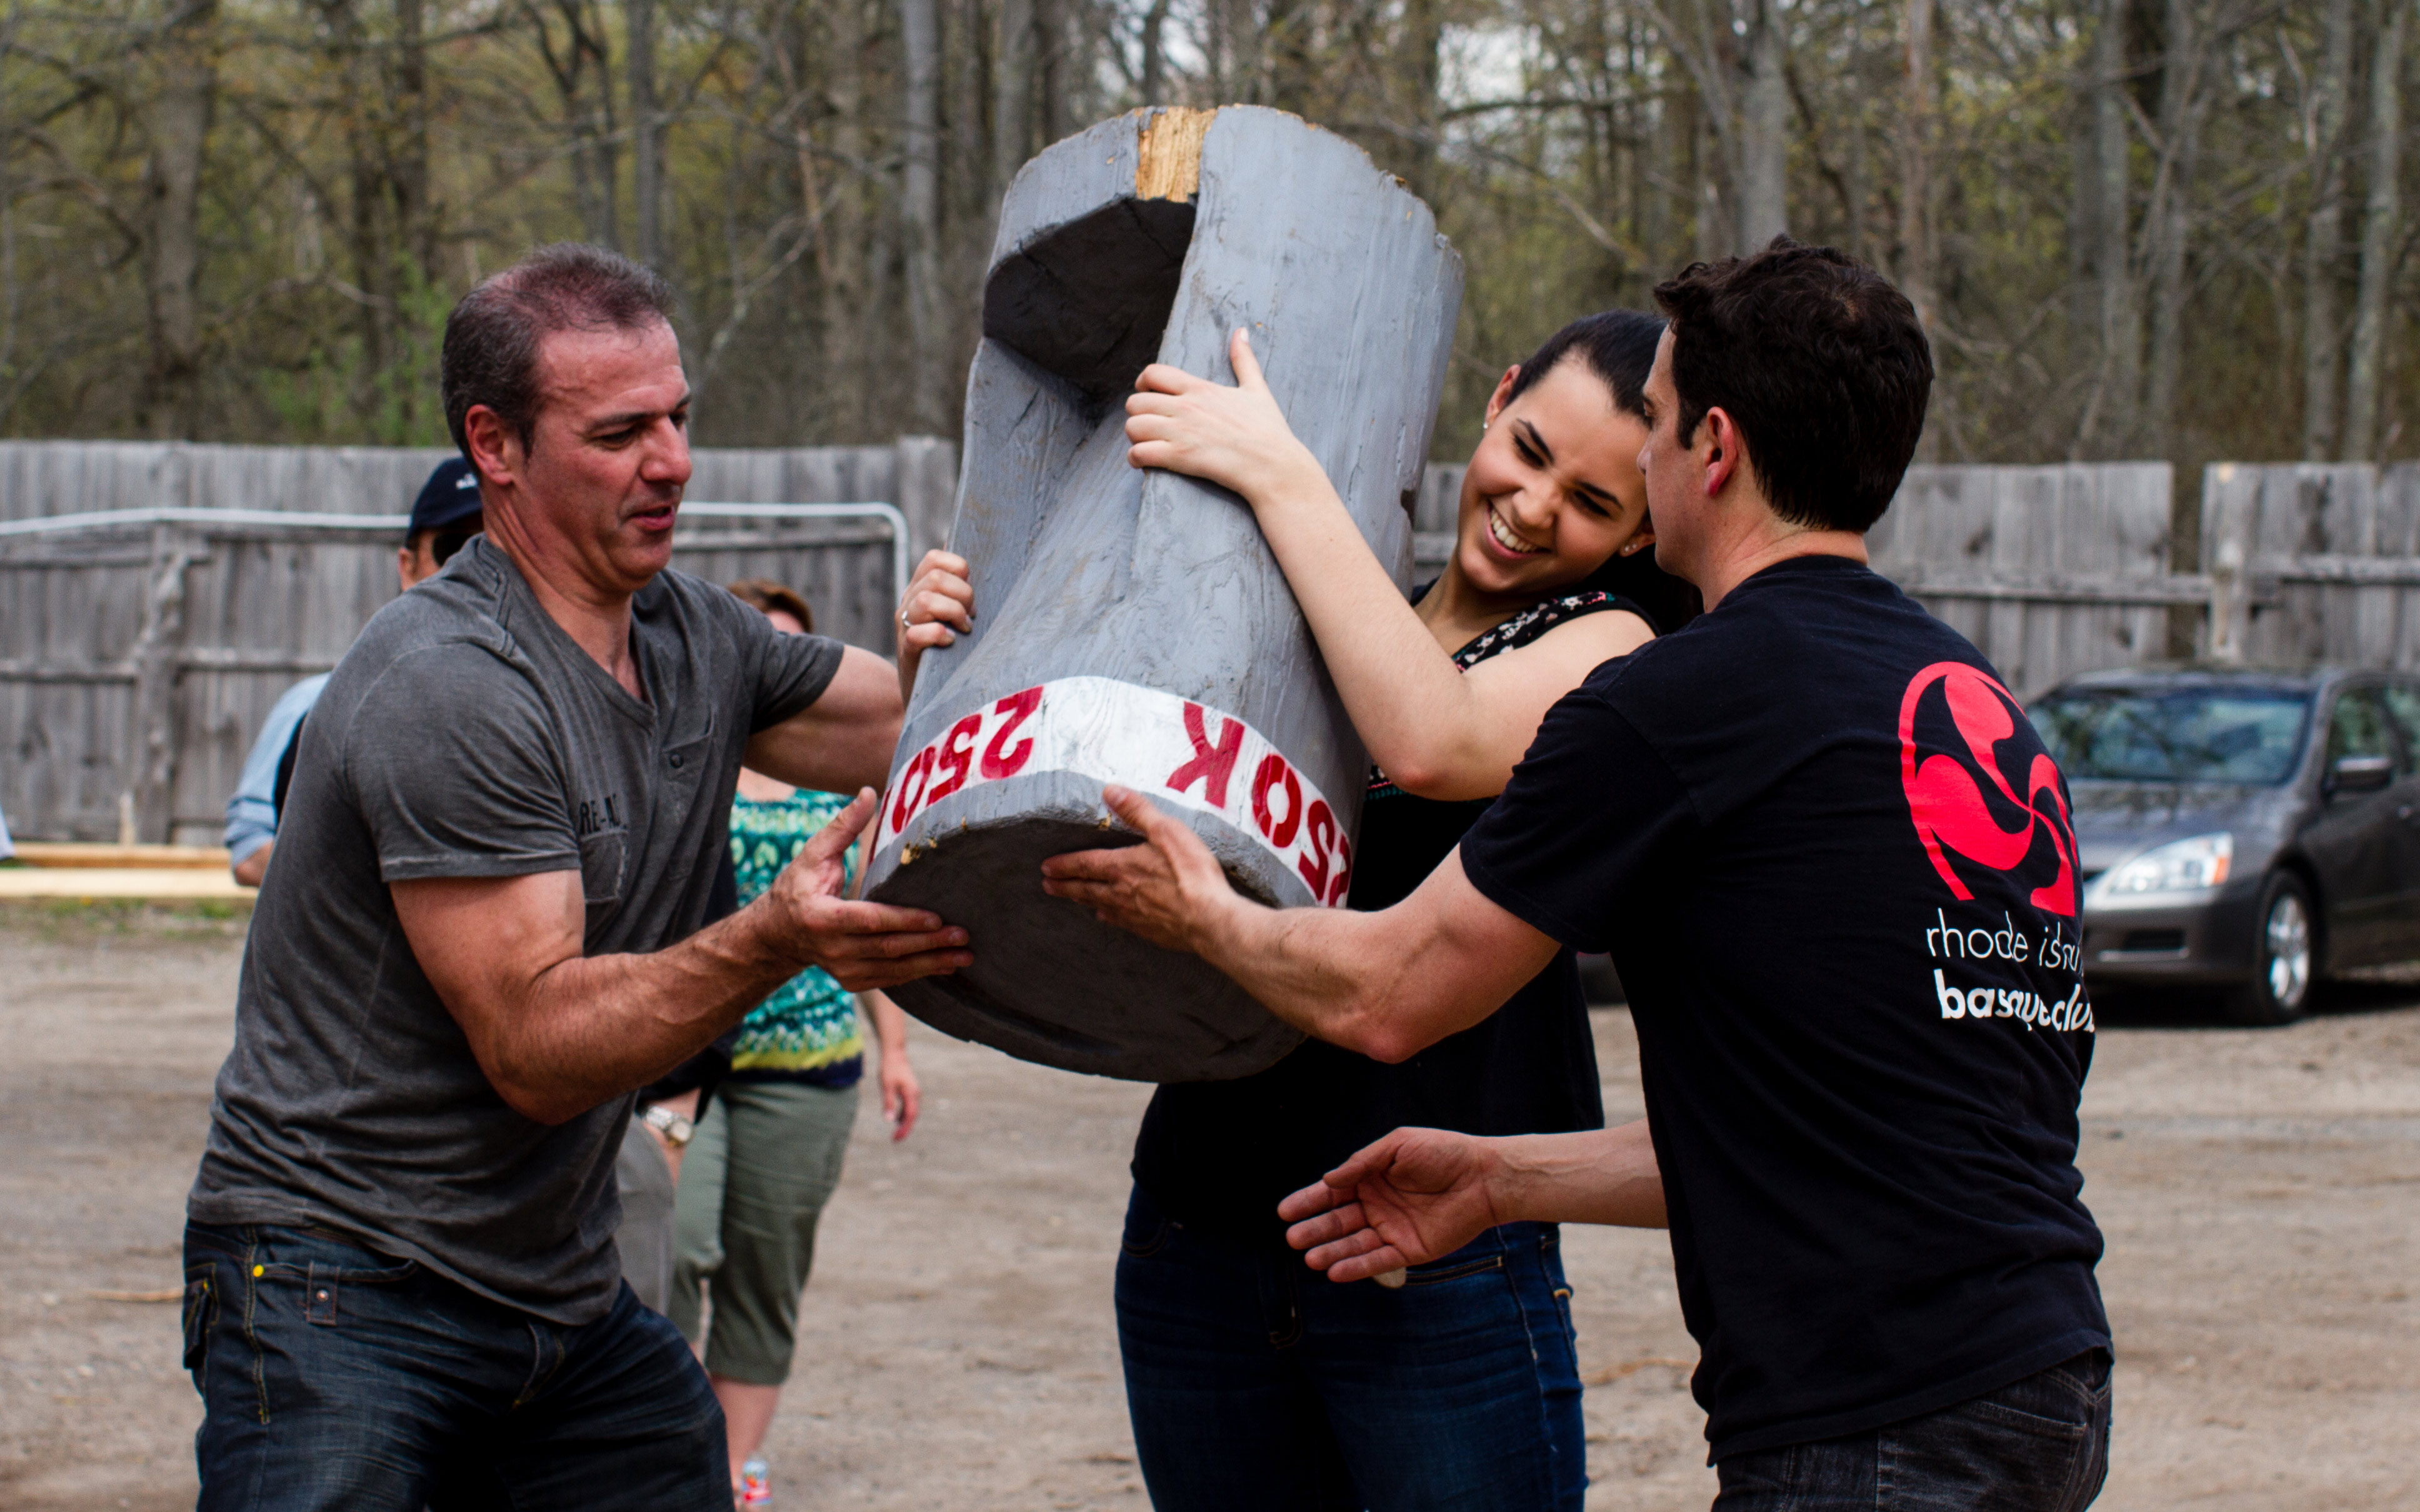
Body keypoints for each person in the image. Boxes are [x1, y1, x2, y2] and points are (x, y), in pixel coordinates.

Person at [1044, 240, 2112, 1512]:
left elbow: (1393, 990)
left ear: (1710, 449)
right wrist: (1503, 1177)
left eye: (1649, 424)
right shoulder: (1964, 703)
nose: (1637, 466)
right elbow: (1843, 1131)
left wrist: (1206, 918)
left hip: (1870, 1412)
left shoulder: (1680, 692)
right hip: (2037, 1370)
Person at [179, 242, 972, 1512]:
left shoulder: (693, 634)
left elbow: (915, 730)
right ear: (495, 446)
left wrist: (972, 636)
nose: (673, 462)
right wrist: (776, 936)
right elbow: (537, 1048)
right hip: (340, 1282)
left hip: (549, 1288)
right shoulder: (450, 681)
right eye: (620, 432)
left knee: (670, 1468)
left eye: (678, 419)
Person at [901, 311, 1681, 1511]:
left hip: (1434, 1252)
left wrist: (1274, 467)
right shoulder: (1320, 598)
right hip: (1200, 1223)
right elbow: (1109, 787)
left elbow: (1432, 742)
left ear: (1639, 532)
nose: (1531, 507)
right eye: (1528, 450)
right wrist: (951, 661)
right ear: (1498, 398)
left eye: (1588, 502)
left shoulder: (1608, 646)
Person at [670, 578, 925, 1509]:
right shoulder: (689, 760)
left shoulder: (844, 784)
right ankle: (667, 1443)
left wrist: (893, 1051)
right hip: (684, 1060)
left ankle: (732, 1473)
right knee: (675, 1251)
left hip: (808, 1065)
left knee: (764, 1275)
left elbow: (869, 925)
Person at [222, 456, 484, 887]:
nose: (475, 570)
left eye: (495, 551)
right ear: (408, 568)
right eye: (452, 549)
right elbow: (251, 852)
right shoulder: (318, 708)